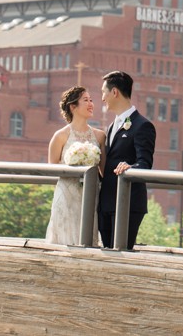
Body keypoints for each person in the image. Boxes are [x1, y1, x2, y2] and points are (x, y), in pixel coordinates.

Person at [98, 70, 156, 250]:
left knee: (121, 256)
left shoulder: (142, 125)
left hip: (128, 204)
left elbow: (144, 164)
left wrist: (130, 167)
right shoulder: (111, 126)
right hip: (106, 202)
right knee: (106, 255)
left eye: (103, 92)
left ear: (114, 92)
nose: (102, 98)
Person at [45, 85, 106, 245]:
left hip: (90, 196)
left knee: (87, 240)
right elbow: (52, 169)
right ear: (73, 107)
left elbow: (104, 172)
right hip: (65, 194)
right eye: (86, 100)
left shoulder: (100, 136)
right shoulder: (60, 136)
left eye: (91, 100)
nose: (91, 103)